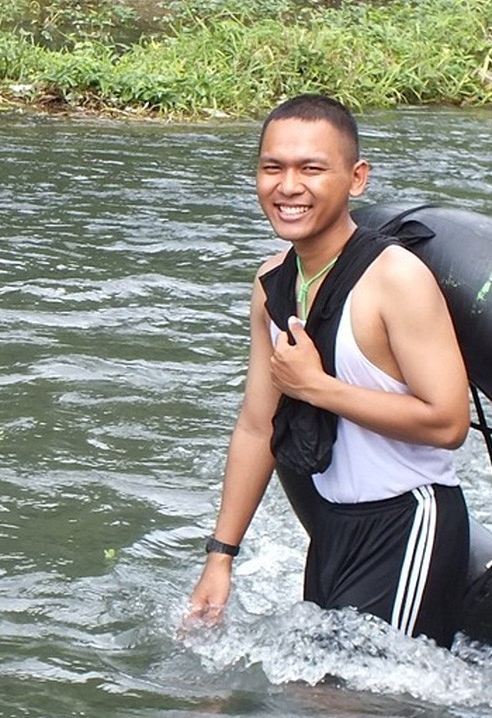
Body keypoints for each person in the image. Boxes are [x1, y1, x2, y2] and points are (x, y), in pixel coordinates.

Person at [185, 94, 472, 647]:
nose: (288, 186)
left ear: (356, 178)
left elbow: (447, 422)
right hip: (332, 529)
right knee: (315, 708)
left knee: (358, 715)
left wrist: (317, 387)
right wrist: (220, 558)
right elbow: (256, 424)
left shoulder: (395, 278)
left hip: (408, 522)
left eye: (311, 168)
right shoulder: (271, 281)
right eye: (273, 168)